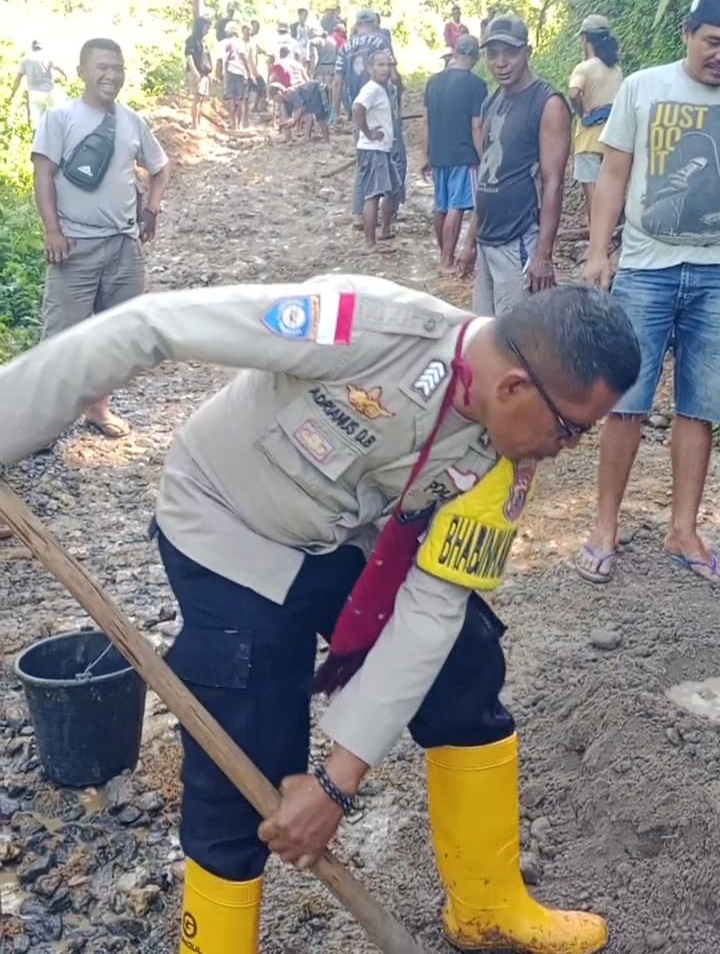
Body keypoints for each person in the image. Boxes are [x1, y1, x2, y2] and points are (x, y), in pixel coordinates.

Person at [0, 277, 640, 954]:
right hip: (227, 525)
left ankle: (488, 909)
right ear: (513, 387)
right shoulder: (365, 330)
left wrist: (336, 782)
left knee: (463, 667)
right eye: (571, 428)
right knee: (242, 754)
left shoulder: (505, 467)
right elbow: (149, 325)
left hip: (340, 540)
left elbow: (429, 614)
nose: (569, 447)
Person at [578, 0, 720, 586]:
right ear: (687, 34)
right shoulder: (643, 87)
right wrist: (596, 250)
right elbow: (613, 173)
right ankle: (604, 526)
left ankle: (683, 529)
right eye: (712, 40)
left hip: (715, 275)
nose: (719, 54)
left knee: (702, 405)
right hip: (645, 269)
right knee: (628, 401)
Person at [30, 37, 169, 438]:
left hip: (124, 245)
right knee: (60, 338)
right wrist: (52, 230)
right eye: (102, 67)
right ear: (81, 72)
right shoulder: (60, 118)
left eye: (118, 67)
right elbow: (43, 176)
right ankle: (43, 425)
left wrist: (153, 206)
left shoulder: (131, 120)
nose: (111, 75)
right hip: (73, 245)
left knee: (116, 335)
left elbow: (160, 167)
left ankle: (98, 409)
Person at [456, 15, 571, 316]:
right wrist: (470, 242)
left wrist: (543, 254)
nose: (501, 62)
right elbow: (487, 176)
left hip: (519, 240)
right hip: (487, 241)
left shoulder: (548, 103)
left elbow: (553, 182)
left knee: (518, 343)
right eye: (493, 53)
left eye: (511, 52)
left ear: (528, 52)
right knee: (485, 335)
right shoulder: (492, 103)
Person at [422, 35, 488, 272]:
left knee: (441, 205)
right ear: (476, 56)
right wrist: (485, 157)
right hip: (464, 154)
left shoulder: (433, 82)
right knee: (456, 206)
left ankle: (443, 255)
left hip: (439, 154)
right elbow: (477, 126)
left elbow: (426, 122)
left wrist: (425, 154)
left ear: (454, 51)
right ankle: (447, 261)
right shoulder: (477, 85)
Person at [568, 15, 623, 224]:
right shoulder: (616, 68)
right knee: (610, 187)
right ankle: (613, 230)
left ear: (585, 39)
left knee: (591, 189)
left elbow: (574, 93)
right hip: (612, 137)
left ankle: (596, 235)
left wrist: (581, 112)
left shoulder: (584, 67)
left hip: (589, 138)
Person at [352, 50, 400, 253]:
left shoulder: (382, 88)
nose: (385, 69)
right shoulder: (371, 89)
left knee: (393, 188)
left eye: (387, 64)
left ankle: (384, 230)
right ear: (370, 68)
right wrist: (368, 132)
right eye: (380, 65)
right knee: (373, 195)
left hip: (382, 149)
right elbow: (357, 108)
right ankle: (370, 243)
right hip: (373, 150)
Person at [8, 40, 67, 131]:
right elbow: (59, 68)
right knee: (56, 117)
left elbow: (18, 78)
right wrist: (65, 77)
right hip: (49, 92)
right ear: (41, 47)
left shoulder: (26, 60)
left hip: (34, 93)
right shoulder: (48, 57)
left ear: (32, 48)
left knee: (38, 123)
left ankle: (38, 140)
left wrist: (12, 94)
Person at [219, 21, 252, 130]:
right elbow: (244, 58)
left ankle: (233, 123)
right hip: (240, 73)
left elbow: (220, 60)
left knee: (231, 99)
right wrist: (249, 73)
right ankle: (240, 124)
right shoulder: (240, 43)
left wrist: (218, 74)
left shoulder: (223, 43)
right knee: (240, 99)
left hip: (229, 73)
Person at [185, 16, 213, 130]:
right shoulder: (192, 40)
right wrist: (195, 71)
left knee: (201, 98)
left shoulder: (203, 42)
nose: (207, 30)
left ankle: (199, 122)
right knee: (197, 98)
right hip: (197, 72)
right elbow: (189, 56)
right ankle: (194, 124)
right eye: (206, 27)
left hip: (204, 72)